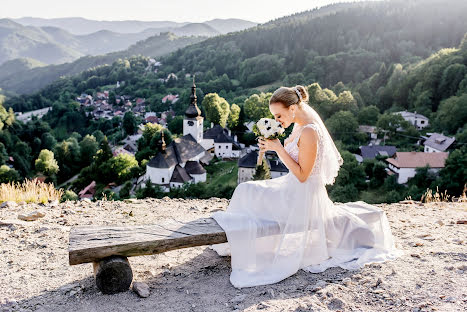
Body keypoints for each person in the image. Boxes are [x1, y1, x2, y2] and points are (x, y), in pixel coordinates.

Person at [209, 85, 404, 288]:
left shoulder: (310, 131)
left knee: (248, 192)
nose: (277, 120)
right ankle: (243, 242)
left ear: (293, 108)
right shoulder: (298, 125)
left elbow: (303, 175)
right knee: (246, 189)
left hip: (302, 196)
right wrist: (271, 148)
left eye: (278, 115)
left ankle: (248, 245)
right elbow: (292, 164)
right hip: (291, 188)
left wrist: (278, 149)